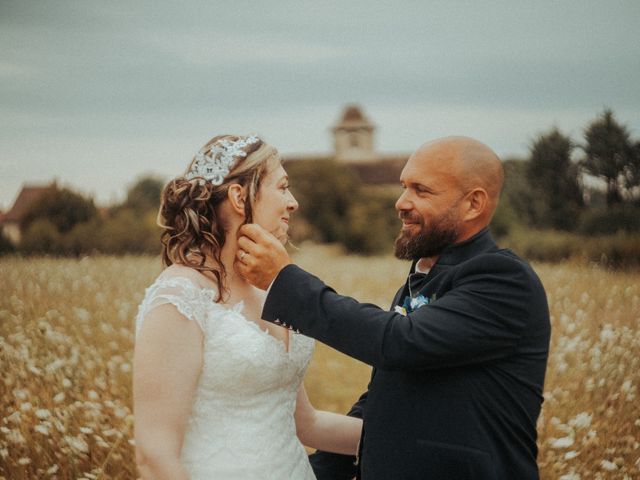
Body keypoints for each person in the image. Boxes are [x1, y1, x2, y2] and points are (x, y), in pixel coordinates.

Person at [236, 136, 551, 480]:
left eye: (421, 190)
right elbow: (388, 395)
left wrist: (284, 280)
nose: (401, 202)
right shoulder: (421, 279)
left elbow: (401, 342)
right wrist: (314, 473)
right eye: (404, 187)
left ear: (473, 204)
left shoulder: (503, 279)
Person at [133, 134, 361, 480]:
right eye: (282, 187)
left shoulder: (272, 290)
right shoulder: (179, 297)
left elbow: (307, 424)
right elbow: (155, 457)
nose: (293, 202)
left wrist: (416, 441)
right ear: (240, 197)